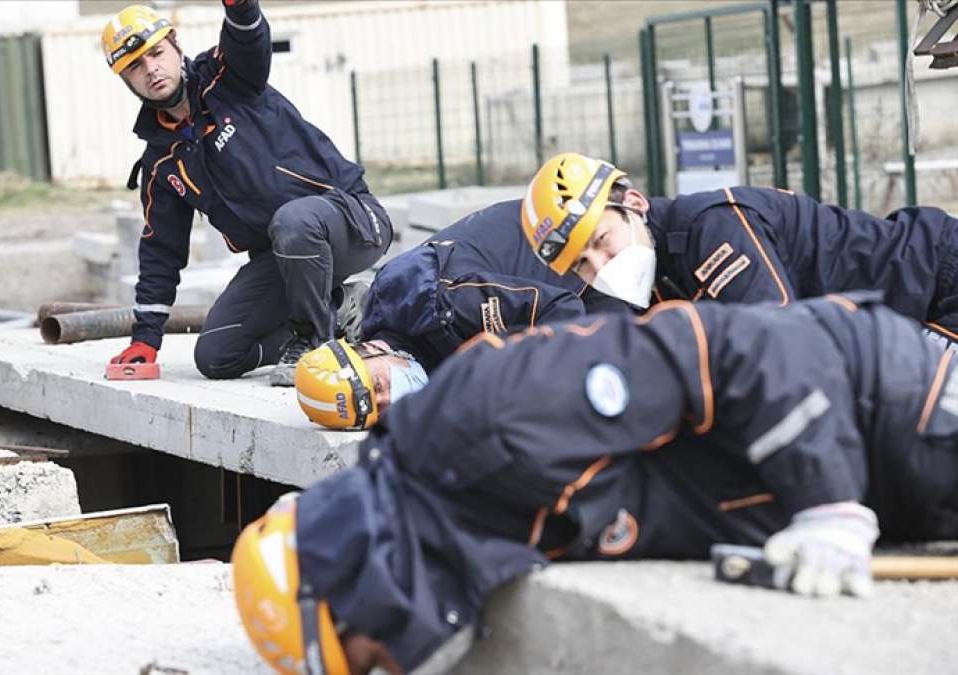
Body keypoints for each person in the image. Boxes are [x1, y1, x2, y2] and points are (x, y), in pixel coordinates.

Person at [232, 292, 958, 674]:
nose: (392, 665)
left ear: (358, 582)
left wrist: (824, 499)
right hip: (876, 485)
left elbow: (745, 346)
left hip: (891, 408)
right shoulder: (458, 527)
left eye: (366, 658)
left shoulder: (481, 421)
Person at [101, 2, 392, 386]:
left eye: (156, 53)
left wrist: (241, 8)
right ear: (126, 80)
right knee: (216, 355)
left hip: (351, 220)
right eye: (135, 65)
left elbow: (248, 38)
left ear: (175, 46)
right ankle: (341, 310)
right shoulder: (162, 161)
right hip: (282, 256)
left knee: (294, 222)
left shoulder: (227, 79)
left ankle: (313, 342)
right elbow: (161, 250)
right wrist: (145, 339)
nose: (151, 69)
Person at [519, 152, 958, 345]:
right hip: (897, 325)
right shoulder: (652, 281)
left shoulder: (712, 228)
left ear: (634, 203)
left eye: (601, 241)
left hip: (935, 285)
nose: (601, 267)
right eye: (582, 265)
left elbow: (778, 341)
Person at [293, 200, 628, 430]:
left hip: (583, 257)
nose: (389, 397)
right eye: (379, 408)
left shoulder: (441, 305)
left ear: (371, 350)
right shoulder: (405, 340)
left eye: (378, 384)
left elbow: (560, 310)